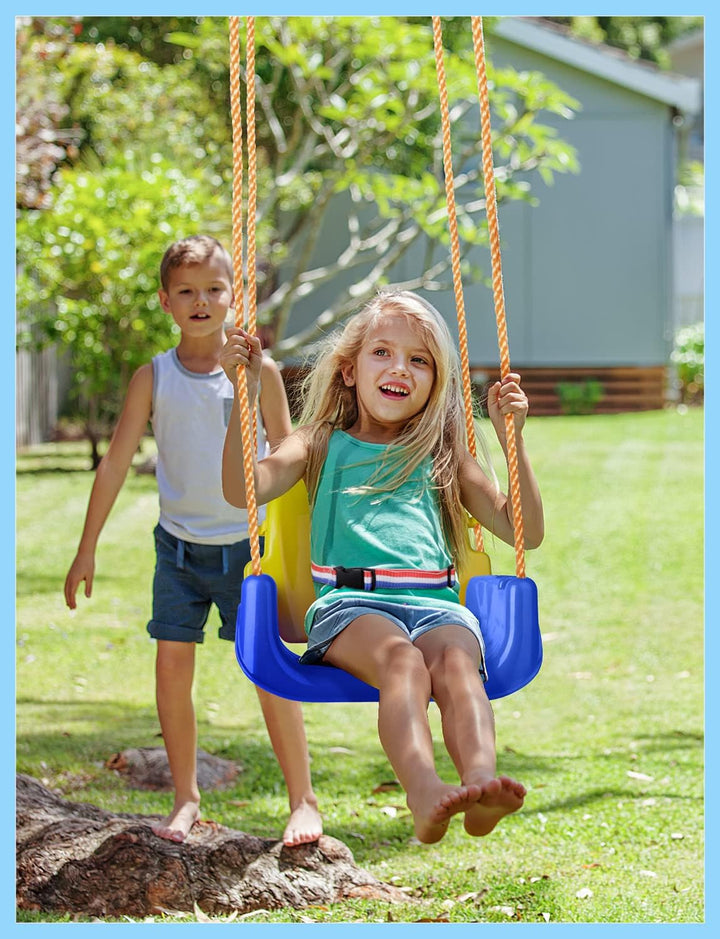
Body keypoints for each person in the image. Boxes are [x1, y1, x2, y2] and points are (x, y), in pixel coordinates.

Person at [220, 289, 544, 845]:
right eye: (382, 353)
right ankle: (424, 792)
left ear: (436, 381)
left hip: (438, 605)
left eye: (419, 360)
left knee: (461, 669)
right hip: (352, 607)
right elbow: (240, 490)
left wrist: (512, 436)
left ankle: (481, 785)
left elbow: (524, 532)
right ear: (348, 369)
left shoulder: (442, 452)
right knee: (403, 665)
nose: (400, 368)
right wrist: (241, 398)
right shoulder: (319, 442)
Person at [64, 235, 322, 847]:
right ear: (165, 301)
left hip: (248, 551)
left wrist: (300, 552)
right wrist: (87, 546)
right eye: (186, 291)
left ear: (234, 296)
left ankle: (303, 799)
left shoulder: (257, 370)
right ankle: (185, 796)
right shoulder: (152, 377)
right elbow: (115, 465)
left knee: (270, 672)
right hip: (177, 550)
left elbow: (289, 453)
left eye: (213, 289)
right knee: (172, 666)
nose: (201, 301)